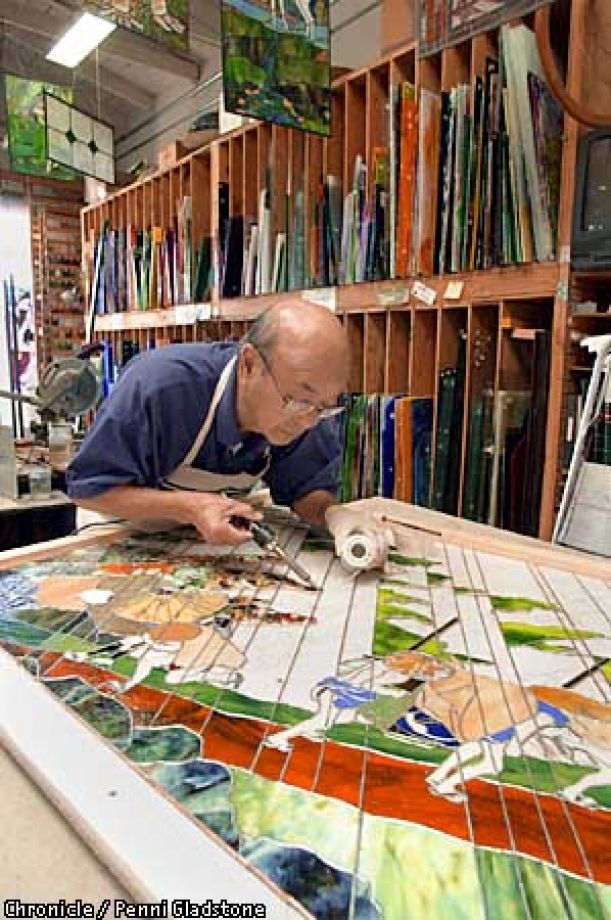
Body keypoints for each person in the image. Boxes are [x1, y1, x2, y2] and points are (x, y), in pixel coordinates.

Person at [66, 300, 391, 565]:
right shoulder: (160, 387)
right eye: (297, 401)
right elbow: (87, 488)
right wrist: (190, 508)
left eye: (325, 406)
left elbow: (305, 491)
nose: (309, 420)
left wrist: (335, 516)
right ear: (249, 364)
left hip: (205, 541)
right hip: (120, 530)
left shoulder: (309, 410)